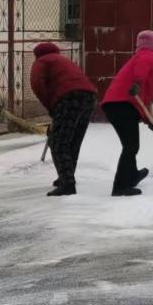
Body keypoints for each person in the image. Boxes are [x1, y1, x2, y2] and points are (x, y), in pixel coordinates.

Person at [30, 42, 98, 197]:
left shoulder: (41, 62)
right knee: (73, 141)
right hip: (89, 97)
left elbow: (37, 84)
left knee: (58, 142)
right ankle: (66, 177)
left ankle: (67, 183)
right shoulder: (63, 60)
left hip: (69, 97)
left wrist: (51, 108)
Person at [101, 30, 153, 197]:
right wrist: (137, 82)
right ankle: (120, 186)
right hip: (121, 105)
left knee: (131, 145)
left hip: (119, 105)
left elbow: (143, 98)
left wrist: (149, 121)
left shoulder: (141, 56)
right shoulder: (147, 55)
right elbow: (140, 75)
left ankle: (132, 175)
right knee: (131, 146)